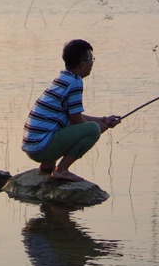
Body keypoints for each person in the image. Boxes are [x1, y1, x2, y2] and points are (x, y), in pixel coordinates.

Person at [22, 39, 121, 183]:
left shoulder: (64, 78)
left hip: (33, 147)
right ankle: (61, 170)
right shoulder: (75, 82)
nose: (92, 63)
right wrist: (97, 127)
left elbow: (72, 116)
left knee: (90, 126)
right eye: (91, 59)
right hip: (41, 147)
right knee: (93, 130)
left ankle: (48, 164)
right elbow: (76, 120)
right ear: (82, 64)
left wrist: (103, 120)